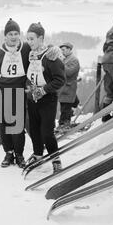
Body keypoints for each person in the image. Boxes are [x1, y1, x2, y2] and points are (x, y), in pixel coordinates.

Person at [0, 18, 30, 168]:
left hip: (20, 90)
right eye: (10, 34)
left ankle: (19, 154)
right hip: (3, 91)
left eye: (16, 33)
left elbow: (40, 52)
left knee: (17, 125)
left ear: (20, 35)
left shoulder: (25, 49)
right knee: (5, 124)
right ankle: (8, 153)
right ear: (5, 36)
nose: (13, 37)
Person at [25, 22, 65, 174]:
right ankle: (38, 155)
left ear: (41, 38)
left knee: (47, 132)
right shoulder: (32, 54)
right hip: (32, 98)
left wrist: (44, 90)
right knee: (34, 130)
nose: (29, 42)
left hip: (47, 100)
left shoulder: (51, 56)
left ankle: (56, 159)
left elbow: (60, 80)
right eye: (27, 39)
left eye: (32, 39)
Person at [101, 8, 113, 121]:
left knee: (110, 91)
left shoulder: (112, 28)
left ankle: (105, 116)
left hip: (107, 60)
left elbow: (105, 47)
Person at [57, 42, 80, 130]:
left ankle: (64, 124)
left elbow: (69, 72)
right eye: (61, 50)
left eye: (64, 50)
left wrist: (61, 64)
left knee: (66, 106)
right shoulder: (64, 59)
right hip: (63, 87)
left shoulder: (74, 60)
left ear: (69, 49)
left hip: (69, 87)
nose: (62, 52)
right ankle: (63, 123)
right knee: (64, 105)